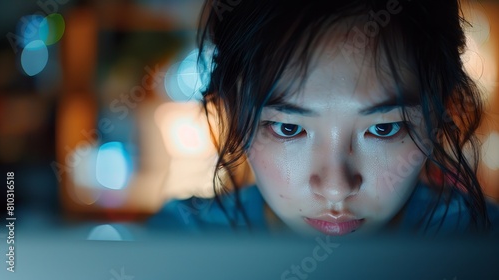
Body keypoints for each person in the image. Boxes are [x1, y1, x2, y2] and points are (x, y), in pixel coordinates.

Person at [151, 0, 499, 236]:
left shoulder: (484, 243)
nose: (336, 187)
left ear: (438, 116)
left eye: (383, 128)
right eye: (289, 128)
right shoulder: (175, 242)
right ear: (235, 112)